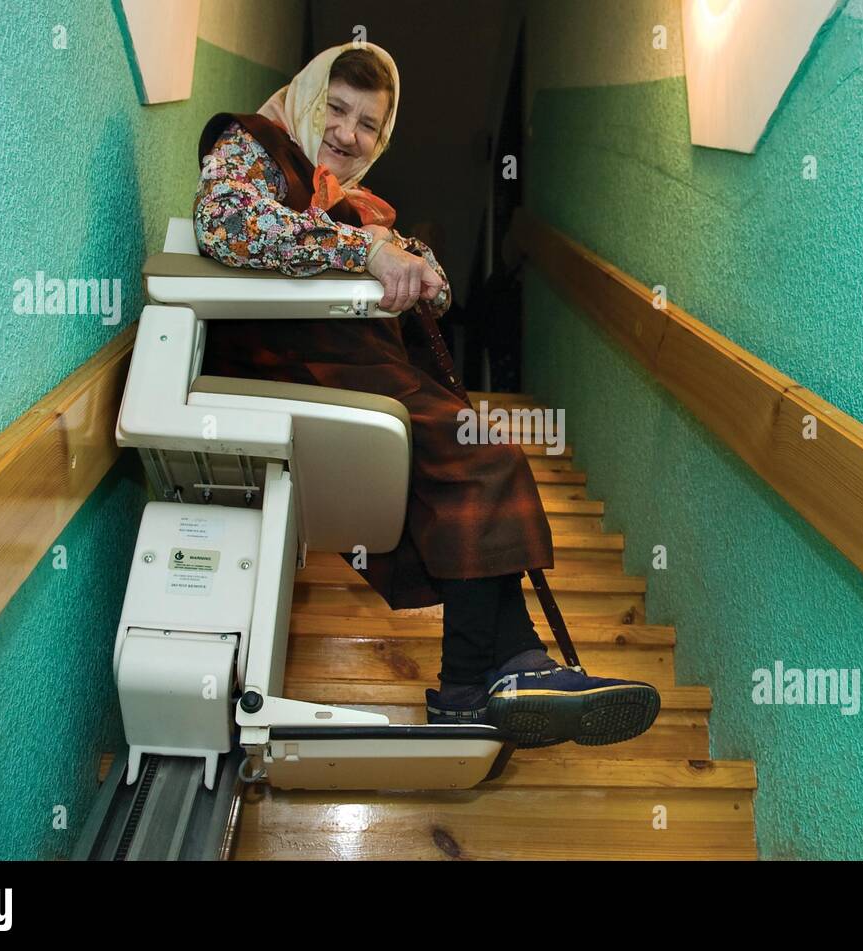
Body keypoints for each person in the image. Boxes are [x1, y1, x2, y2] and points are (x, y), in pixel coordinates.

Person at [191, 41, 658, 748]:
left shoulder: (352, 202)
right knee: (480, 459)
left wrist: (416, 265)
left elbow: (403, 263)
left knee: (480, 458)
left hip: (360, 372)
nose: (349, 134)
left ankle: (515, 663)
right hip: (294, 371)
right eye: (337, 110)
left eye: (369, 124)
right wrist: (366, 250)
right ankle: (474, 685)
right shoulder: (252, 142)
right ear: (308, 98)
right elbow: (225, 222)